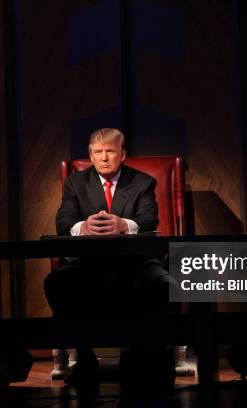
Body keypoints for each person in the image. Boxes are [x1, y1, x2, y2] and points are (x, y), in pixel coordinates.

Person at [44, 128, 177, 394]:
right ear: (91, 156)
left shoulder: (143, 182)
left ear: (123, 154)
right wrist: (84, 227)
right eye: (97, 152)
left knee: (164, 285)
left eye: (110, 151)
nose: (104, 158)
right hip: (89, 263)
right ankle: (85, 357)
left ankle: (139, 355)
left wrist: (123, 225)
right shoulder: (75, 183)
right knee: (56, 283)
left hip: (136, 263)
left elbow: (149, 221)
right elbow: (63, 223)